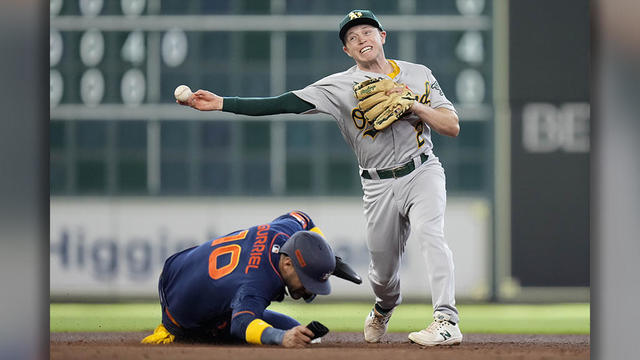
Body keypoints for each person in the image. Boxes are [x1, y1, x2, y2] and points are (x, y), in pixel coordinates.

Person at [177, 9, 462, 346]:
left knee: (431, 234)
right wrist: (224, 103)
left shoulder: (418, 74)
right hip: (377, 184)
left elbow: (451, 126)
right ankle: (384, 307)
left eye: (367, 33)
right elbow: (283, 103)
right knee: (383, 276)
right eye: (352, 38)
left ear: (382, 36)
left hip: (422, 170)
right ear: (347, 51)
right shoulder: (339, 86)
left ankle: (446, 319)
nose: (361, 40)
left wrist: (413, 105)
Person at [142, 210, 339, 348]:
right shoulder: (258, 281)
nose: (309, 290)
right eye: (307, 280)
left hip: (178, 267)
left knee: (299, 331)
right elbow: (242, 323)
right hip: (183, 316)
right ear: (288, 264)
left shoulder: (284, 232)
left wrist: (323, 258)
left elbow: (302, 218)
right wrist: (282, 338)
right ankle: (181, 335)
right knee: (290, 333)